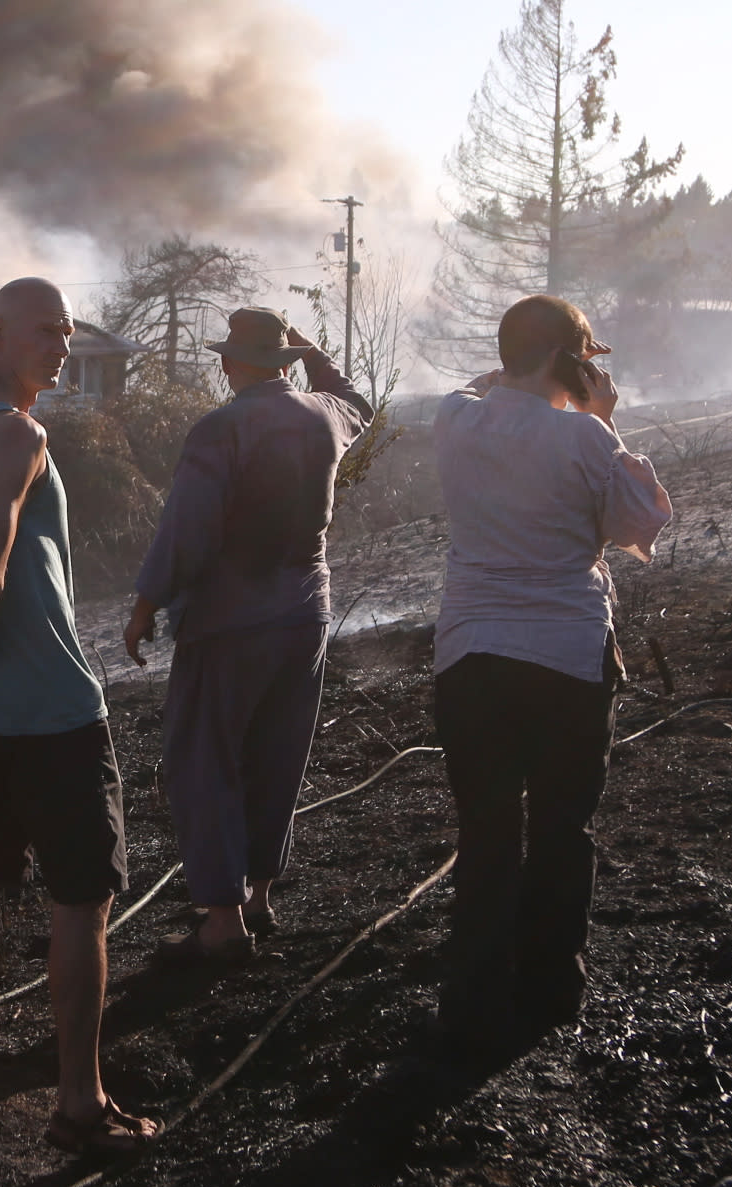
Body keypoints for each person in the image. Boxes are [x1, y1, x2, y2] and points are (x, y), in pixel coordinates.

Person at [0, 277, 159, 1158]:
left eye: (67, 330)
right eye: (45, 330)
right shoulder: (16, 434)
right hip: (50, 711)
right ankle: (80, 1105)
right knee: (81, 903)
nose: (61, 344)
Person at [424, 294, 671, 1048]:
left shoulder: (455, 419)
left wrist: (519, 373)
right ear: (570, 361)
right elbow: (639, 527)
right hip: (565, 653)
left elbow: (479, 387)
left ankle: (474, 985)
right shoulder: (584, 440)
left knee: (487, 826)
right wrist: (603, 418)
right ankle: (551, 983)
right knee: (562, 826)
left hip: (470, 653)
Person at [125, 309, 372, 963]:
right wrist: (312, 350)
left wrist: (145, 605)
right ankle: (259, 897)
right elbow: (357, 401)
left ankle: (222, 920)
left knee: (205, 762)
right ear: (286, 362)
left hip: (229, 621)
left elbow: (187, 530)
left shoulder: (219, 429)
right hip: (305, 614)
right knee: (277, 758)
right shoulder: (324, 416)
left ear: (230, 362)